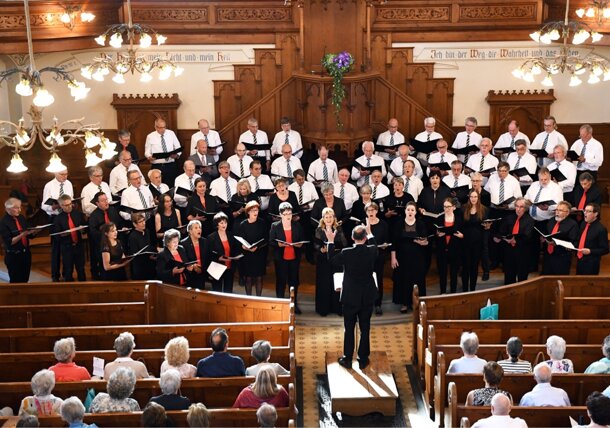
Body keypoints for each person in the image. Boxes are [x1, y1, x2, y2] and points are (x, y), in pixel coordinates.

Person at [332, 224, 378, 370]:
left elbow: (332, 259)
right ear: (365, 238)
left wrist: (331, 242)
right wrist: (370, 234)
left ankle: (347, 359)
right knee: (365, 328)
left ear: (352, 237)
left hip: (350, 296)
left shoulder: (346, 253)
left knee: (349, 328)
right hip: (366, 295)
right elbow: (375, 246)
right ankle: (363, 359)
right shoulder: (372, 250)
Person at [391, 201, 428, 312]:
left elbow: (426, 241)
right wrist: (393, 257)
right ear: (405, 211)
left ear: (415, 212)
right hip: (402, 258)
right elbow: (394, 242)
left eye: (412, 210)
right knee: (403, 279)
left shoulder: (420, 224)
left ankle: (415, 302)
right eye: (408, 210)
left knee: (417, 279)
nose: (410, 212)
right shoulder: (398, 224)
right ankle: (404, 303)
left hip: (417, 257)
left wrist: (422, 242)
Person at [269, 202, 305, 309]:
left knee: (293, 282)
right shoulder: (275, 226)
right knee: (281, 281)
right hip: (281, 258)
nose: (288, 216)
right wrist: (279, 245)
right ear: (280, 215)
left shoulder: (297, 225)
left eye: (290, 213)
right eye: (285, 214)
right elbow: (271, 242)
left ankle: (294, 304)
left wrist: (300, 244)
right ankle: (280, 304)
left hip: (294, 258)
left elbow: (302, 240)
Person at [314, 207, 348, 316]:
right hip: (323, 260)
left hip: (336, 259)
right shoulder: (319, 230)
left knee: (336, 283)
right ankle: (323, 309)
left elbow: (344, 244)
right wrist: (321, 249)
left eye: (330, 217)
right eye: (326, 217)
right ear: (323, 218)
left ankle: (337, 308)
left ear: (334, 218)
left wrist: (334, 246)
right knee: (324, 283)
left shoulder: (339, 229)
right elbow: (316, 244)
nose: (328, 219)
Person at [42, 169, 73, 282]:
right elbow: (43, 206)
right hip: (55, 218)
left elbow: (71, 198)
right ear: (55, 173)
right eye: (62, 174)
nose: (65, 176)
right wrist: (53, 207)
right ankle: (55, 275)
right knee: (56, 248)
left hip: (67, 216)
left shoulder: (68, 184)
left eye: (66, 174)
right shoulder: (49, 185)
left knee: (67, 246)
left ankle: (67, 273)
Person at [495, 197, 534, 285]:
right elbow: (502, 231)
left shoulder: (529, 220)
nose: (518, 209)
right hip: (509, 251)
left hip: (522, 252)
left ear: (525, 208)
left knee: (522, 279)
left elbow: (528, 236)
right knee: (509, 277)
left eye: (521, 207)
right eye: (517, 206)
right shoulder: (509, 218)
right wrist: (499, 237)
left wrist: (515, 240)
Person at [236, 201, 268, 296]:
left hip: (259, 253)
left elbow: (266, 238)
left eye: (256, 210)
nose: (255, 212)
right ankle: (248, 298)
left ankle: (258, 299)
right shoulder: (243, 224)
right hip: (247, 255)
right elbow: (240, 240)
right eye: (253, 210)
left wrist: (257, 246)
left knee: (259, 278)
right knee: (248, 278)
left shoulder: (262, 223)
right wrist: (244, 246)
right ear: (248, 212)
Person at [88, 192, 122, 280]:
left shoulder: (112, 211)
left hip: (115, 245)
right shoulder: (93, 216)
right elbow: (93, 233)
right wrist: (106, 236)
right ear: (97, 203)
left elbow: (119, 224)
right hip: (102, 246)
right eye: (103, 201)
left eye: (106, 199)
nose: (106, 202)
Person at [52, 195, 86, 282]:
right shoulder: (58, 218)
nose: (69, 206)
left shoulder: (78, 214)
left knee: (81, 269)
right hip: (67, 247)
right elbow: (56, 235)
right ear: (61, 206)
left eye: (70, 204)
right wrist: (63, 234)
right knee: (68, 270)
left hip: (78, 245)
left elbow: (85, 227)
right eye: (66, 205)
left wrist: (83, 230)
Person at [461, 190, 490, 292]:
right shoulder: (463, 208)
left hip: (478, 242)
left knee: (474, 266)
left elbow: (486, 225)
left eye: (475, 197)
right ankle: (465, 290)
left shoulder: (484, 209)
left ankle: (472, 289)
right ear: (469, 197)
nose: (473, 199)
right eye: (471, 197)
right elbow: (460, 224)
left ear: (478, 198)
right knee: (465, 267)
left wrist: (487, 226)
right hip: (465, 242)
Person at [0, 197, 34, 283]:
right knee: (16, 282)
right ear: (8, 209)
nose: (20, 210)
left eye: (20, 207)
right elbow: (10, 242)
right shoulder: (3, 222)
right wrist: (22, 235)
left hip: (25, 254)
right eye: (17, 208)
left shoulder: (21, 218)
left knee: (25, 280)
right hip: (14, 256)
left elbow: (29, 234)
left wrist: (34, 232)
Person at [365, 202, 390, 316]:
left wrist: (385, 244)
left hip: (379, 255)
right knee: (366, 280)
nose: (371, 212)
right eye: (368, 210)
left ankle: (378, 304)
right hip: (365, 257)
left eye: (373, 210)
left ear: (377, 211)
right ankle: (366, 303)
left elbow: (386, 239)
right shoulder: (362, 224)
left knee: (378, 280)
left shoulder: (383, 224)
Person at [435, 197, 464, 294]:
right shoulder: (439, 219)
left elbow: (462, 233)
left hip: (455, 249)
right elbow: (436, 233)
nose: (446, 209)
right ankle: (443, 292)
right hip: (442, 249)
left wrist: (462, 235)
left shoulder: (459, 219)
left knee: (454, 273)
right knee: (442, 273)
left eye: (448, 206)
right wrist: (437, 234)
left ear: (454, 207)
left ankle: (453, 292)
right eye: (445, 207)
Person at [541, 200, 579, 275]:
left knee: (559, 278)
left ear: (567, 213)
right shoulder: (551, 221)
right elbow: (546, 234)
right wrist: (543, 238)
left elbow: (574, 242)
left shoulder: (573, 224)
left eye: (561, 210)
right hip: (548, 255)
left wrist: (558, 243)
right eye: (557, 210)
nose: (557, 212)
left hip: (561, 257)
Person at [207, 212, 240, 293]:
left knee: (228, 291)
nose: (224, 224)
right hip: (217, 267)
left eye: (225, 222)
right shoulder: (211, 237)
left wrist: (237, 257)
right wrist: (218, 258)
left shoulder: (231, 235)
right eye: (221, 223)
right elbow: (209, 253)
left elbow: (234, 249)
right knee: (217, 291)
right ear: (217, 224)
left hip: (229, 268)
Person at [145, 118, 182, 185]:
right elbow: (147, 152)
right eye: (160, 127)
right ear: (155, 127)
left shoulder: (171, 133)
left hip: (171, 165)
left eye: (164, 127)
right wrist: (149, 157)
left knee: (172, 185)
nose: (163, 129)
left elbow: (178, 147)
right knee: (158, 186)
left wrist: (176, 155)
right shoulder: (150, 136)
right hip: (157, 166)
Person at [576, 203, 609, 275]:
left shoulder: (601, 229)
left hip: (591, 263)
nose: (585, 213)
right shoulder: (583, 224)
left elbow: (605, 249)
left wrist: (590, 251)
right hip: (580, 260)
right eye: (585, 211)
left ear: (595, 214)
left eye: (588, 211)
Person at [128, 213, 156, 280]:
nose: (144, 223)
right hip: (140, 267)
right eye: (140, 222)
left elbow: (148, 246)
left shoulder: (147, 231)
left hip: (149, 264)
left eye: (144, 220)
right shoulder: (132, 236)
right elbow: (135, 254)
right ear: (134, 224)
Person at [181, 220, 207, 289]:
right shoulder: (183, 243)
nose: (199, 229)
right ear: (190, 231)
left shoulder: (204, 241)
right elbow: (184, 260)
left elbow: (207, 258)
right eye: (196, 228)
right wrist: (194, 267)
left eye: (200, 227)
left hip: (202, 273)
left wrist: (202, 269)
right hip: (190, 275)